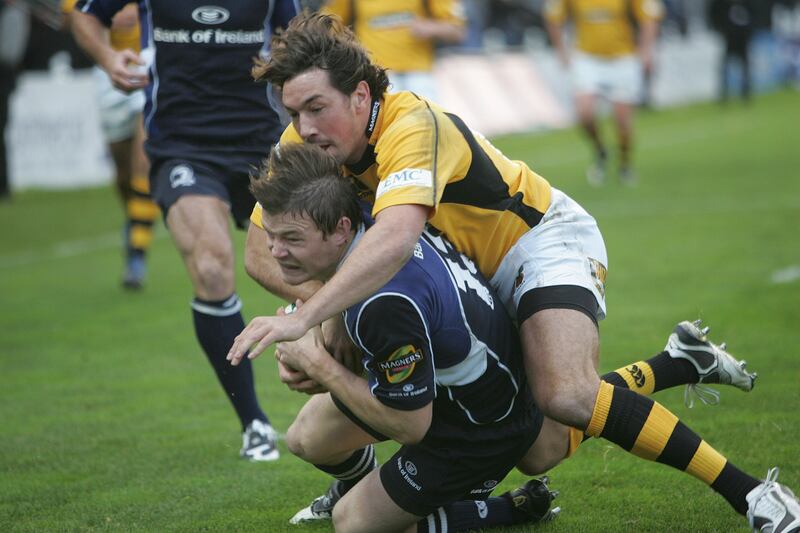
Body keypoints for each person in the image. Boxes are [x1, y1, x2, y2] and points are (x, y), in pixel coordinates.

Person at [227, 13, 800, 530]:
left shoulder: (411, 125)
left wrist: (312, 320)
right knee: (535, 445)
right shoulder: (307, 146)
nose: (302, 128)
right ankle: (678, 363)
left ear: (359, 96)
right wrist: (329, 316)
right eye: (292, 112)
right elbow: (258, 253)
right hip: (454, 279)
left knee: (567, 397)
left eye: (315, 108)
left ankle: (752, 494)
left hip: (536, 245)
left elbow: (397, 239)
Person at [252, 142, 559, 532]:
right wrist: (316, 329)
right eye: (272, 235)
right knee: (306, 437)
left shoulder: (383, 305)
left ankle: (512, 508)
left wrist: (316, 363)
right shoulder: (375, 215)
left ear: (340, 231)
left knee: (354, 523)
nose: (277, 252)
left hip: (482, 423)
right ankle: (365, 486)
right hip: (455, 380)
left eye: (293, 239)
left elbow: (410, 426)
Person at [70, 0, 301, 461]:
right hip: (184, 146)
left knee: (310, 270)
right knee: (213, 269)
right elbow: (83, 12)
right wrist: (107, 56)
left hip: (262, 140)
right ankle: (254, 422)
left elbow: (296, 36)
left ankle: (346, 401)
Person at [62, 0, 158, 289]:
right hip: (110, 70)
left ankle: (136, 255)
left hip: (150, 66)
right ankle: (135, 221)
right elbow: (74, 19)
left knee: (145, 159)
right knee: (124, 176)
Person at [543, 0, 664, 186]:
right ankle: (600, 151)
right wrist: (561, 50)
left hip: (623, 58)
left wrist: (646, 50)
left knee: (622, 123)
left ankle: (625, 164)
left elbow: (649, 17)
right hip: (587, 58)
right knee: (585, 114)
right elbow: (553, 16)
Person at [319, 0, 466, 102]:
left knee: (429, 131)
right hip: (376, 72)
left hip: (418, 73)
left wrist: (430, 28)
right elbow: (328, 25)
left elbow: (458, 30)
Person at [708, 0, 757, 102]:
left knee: (744, 66)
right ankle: (724, 93)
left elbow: (753, 16)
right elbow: (714, 15)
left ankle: (745, 92)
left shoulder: (746, 4)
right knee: (726, 66)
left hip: (743, 38)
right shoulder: (722, 4)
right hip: (730, 38)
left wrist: (749, 32)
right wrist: (721, 30)